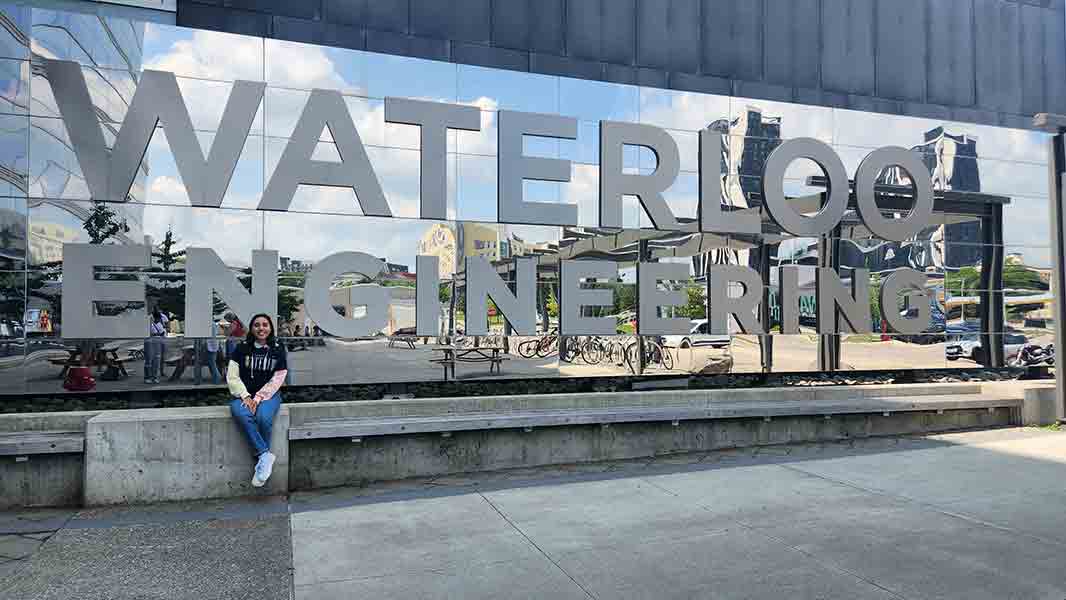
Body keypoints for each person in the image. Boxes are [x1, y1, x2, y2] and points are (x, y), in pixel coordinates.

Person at [227, 313, 287, 488]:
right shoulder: (241, 349)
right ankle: (264, 455)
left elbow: (279, 377)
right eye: (257, 325)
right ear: (251, 329)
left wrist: (259, 397)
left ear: (270, 328)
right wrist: (245, 396)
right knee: (240, 411)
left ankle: (261, 463)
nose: (261, 328)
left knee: (263, 418)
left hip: (269, 395)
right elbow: (232, 375)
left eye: (265, 325)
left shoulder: (277, 348)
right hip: (243, 394)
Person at [144, 309, 167, 384]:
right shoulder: (149, 324)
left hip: (158, 343)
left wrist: (162, 334)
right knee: (149, 360)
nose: (159, 320)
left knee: (156, 360)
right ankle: (147, 377)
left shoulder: (160, 324)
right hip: (149, 342)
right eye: (158, 318)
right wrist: (157, 334)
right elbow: (147, 333)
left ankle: (155, 377)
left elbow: (162, 332)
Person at [197, 319, 222, 385]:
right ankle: (216, 379)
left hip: (209, 345)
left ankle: (217, 379)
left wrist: (202, 346)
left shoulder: (207, 324)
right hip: (214, 345)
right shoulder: (215, 324)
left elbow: (204, 336)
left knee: (210, 363)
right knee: (212, 363)